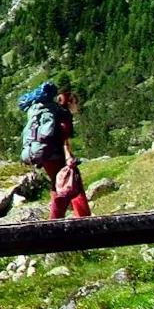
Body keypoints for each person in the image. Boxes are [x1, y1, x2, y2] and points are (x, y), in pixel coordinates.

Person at [45, 91, 91, 219]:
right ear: (69, 103)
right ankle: (84, 217)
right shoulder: (65, 116)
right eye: (76, 103)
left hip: (47, 157)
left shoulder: (55, 114)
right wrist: (68, 156)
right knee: (74, 183)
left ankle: (55, 219)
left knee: (57, 186)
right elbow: (64, 139)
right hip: (58, 156)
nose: (78, 106)